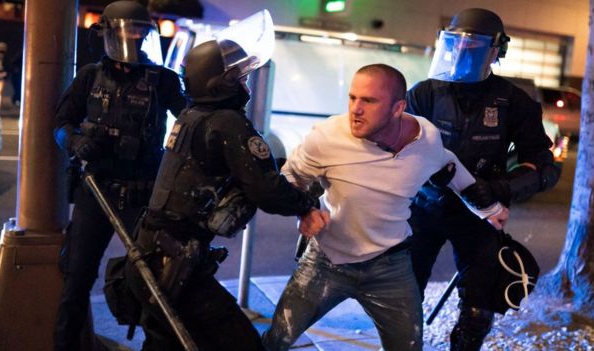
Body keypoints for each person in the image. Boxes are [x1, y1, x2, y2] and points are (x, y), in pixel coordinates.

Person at [262, 63, 508, 351]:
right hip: (327, 261)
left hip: (390, 267)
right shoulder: (327, 136)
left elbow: (447, 163)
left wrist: (489, 210)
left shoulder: (424, 137)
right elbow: (290, 178)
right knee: (276, 340)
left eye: (369, 100)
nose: (355, 108)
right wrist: (304, 210)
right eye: (353, 98)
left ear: (397, 108)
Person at [124, 10, 325, 351]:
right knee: (240, 344)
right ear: (223, 84)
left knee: (165, 343)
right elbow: (266, 190)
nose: (245, 84)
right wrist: (306, 202)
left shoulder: (192, 115)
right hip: (177, 265)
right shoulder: (228, 123)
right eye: (239, 77)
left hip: (151, 253)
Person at [405, 8, 561, 351]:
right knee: (403, 298)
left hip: (479, 214)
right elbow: (401, 150)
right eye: (456, 44)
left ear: (496, 50)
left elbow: (544, 166)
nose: (463, 52)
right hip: (424, 209)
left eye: (474, 46)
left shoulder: (513, 102)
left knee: (478, 309)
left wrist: (499, 189)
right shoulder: (425, 93)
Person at [52, 1, 186, 350]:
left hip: (141, 197)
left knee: (152, 283)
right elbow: (60, 125)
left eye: (141, 29)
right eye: (128, 29)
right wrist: (76, 140)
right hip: (95, 193)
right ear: (110, 32)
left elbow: (192, 122)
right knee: (76, 280)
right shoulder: (90, 77)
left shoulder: (163, 81)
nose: (135, 35)